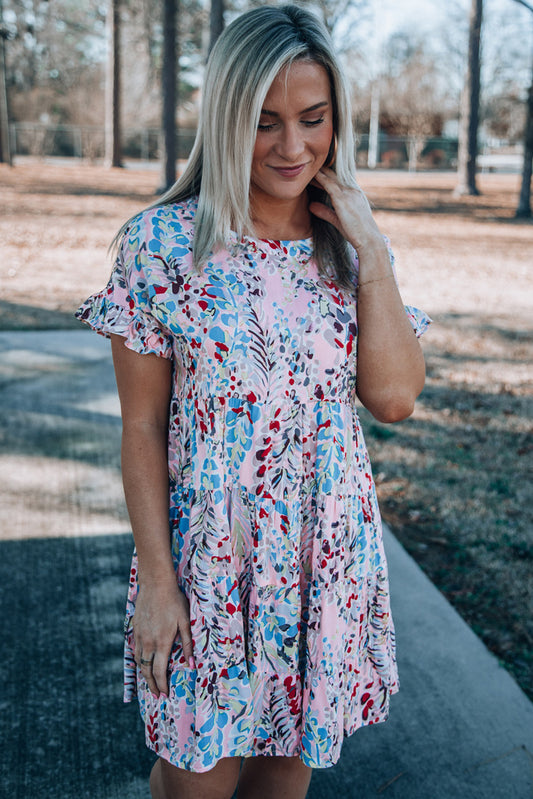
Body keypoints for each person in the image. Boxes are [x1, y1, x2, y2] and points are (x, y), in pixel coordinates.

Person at [76, 5, 430, 798]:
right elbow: (141, 427)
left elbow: (394, 398)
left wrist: (372, 251)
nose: (292, 146)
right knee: (194, 779)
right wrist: (158, 581)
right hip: (206, 566)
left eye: (312, 118)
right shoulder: (162, 246)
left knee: (280, 783)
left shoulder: (350, 248)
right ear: (226, 117)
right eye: (264, 121)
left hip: (320, 562)